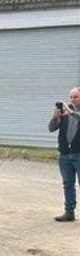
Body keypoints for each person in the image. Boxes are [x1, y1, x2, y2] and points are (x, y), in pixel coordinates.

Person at [48, 87, 80, 222]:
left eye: (76, 97)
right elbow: (51, 128)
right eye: (71, 97)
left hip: (78, 154)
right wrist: (55, 118)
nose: (72, 99)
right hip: (65, 154)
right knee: (67, 184)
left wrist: (71, 112)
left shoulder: (72, 113)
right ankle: (69, 212)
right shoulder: (65, 112)